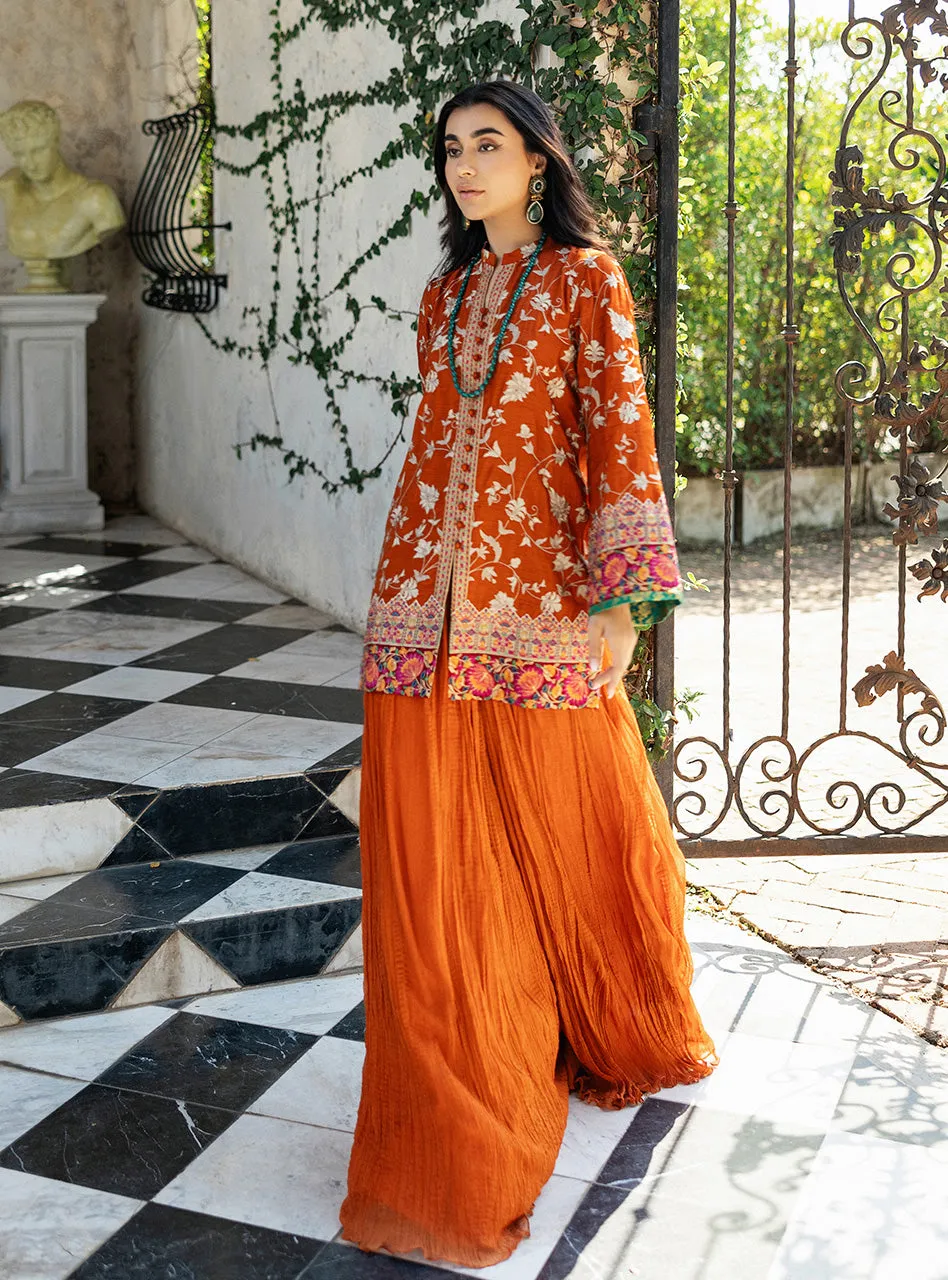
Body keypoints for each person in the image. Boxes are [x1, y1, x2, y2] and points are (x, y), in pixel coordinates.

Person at [339, 78, 717, 1270]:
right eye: (450, 147)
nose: (464, 164)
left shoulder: (586, 281)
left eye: (487, 145)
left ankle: (606, 1015)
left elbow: (619, 432)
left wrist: (624, 597)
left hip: (540, 609)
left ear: (539, 162)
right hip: (419, 610)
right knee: (444, 868)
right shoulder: (444, 292)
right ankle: (459, 1096)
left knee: (576, 828)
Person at [0, 100, 125, 293]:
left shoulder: (96, 199)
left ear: (56, 140)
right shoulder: (11, 188)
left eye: (38, 150)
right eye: (19, 155)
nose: (30, 164)